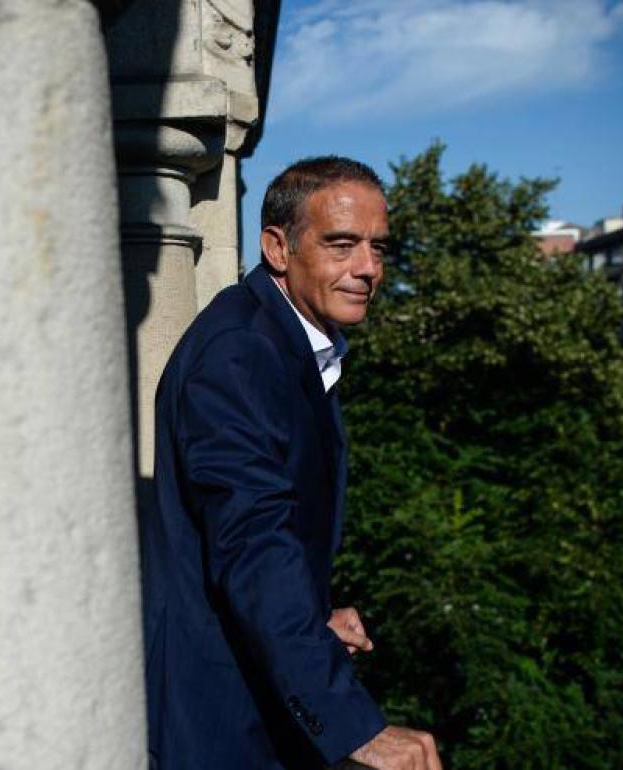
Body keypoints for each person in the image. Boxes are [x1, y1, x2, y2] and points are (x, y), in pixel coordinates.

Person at [141, 156, 443, 770]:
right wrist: (354, 726)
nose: (367, 269)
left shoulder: (283, 340)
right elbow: (253, 542)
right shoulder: (241, 356)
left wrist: (312, 614)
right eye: (341, 245)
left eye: (377, 248)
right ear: (278, 247)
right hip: (223, 719)